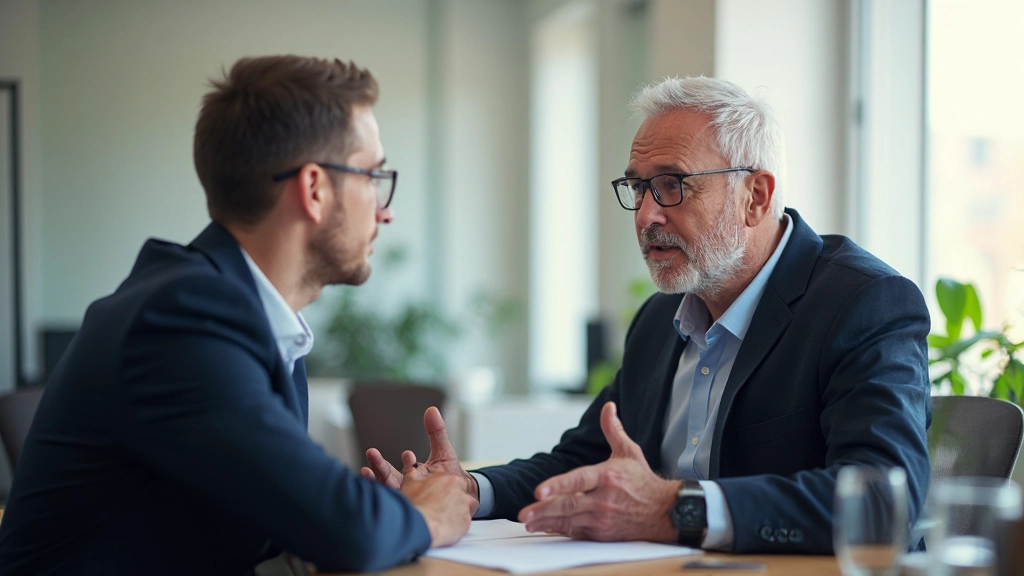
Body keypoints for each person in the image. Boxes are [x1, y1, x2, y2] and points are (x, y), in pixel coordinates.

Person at [362, 76, 931, 554]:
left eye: (671, 186)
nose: (645, 215)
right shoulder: (662, 319)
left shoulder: (865, 302)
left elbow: (886, 500)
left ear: (756, 196)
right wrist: (469, 489)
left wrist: (674, 509)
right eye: (637, 188)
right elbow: (585, 458)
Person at [0, 55, 474, 575]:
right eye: (372, 175)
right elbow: (346, 533)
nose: (386, 210)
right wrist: (426, 515)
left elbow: (281, 517)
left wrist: (366, 508)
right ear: (314, 188)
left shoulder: (240, 313)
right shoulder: (181, 320)